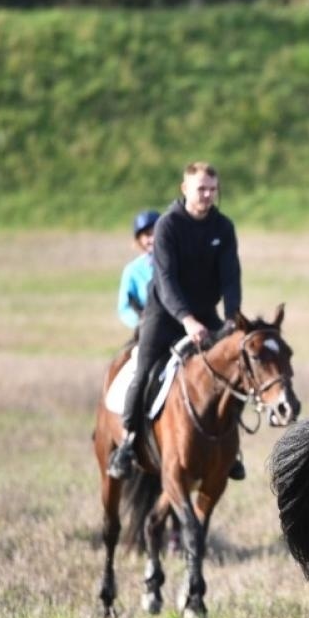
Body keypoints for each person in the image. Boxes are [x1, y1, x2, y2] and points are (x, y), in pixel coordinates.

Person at [108, 163, 243, 481]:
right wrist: (187, 320)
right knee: (143, 371)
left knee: (235, 370)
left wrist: (232, 318)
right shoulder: (168, 226)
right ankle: (128, 442)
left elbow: (231, 278)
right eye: (201, 189)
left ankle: (231, 449)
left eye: (212, 189)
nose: (207, 195)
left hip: (206, 314)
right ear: (185, 189)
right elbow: (166, 281)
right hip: (164, 314)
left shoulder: (223, 227)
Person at [118, 209, 161, 331]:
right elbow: (125, 308)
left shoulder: (179, 262)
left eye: (156, 233)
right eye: (147, 235)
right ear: (139, 240)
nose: (153, 239)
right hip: (149, 329)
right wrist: (141, 323)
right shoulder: (132, 270)